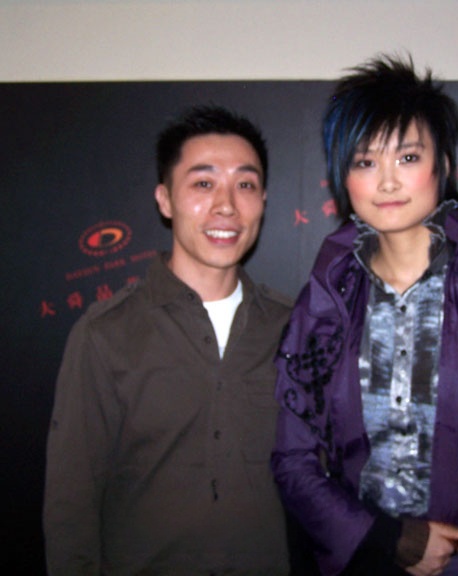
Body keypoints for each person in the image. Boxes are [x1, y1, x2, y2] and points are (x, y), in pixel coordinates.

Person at [271, 54, 458, 576]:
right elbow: (292, 463)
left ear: (443, 164)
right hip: (354, 564)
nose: (388, 182)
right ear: (341, 177)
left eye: (408, 157)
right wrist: (385, 539)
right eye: (365, 162)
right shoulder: (324, 302)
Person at [44, 105, 292, 575]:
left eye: (245, 185)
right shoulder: (106, 334)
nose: (226, 205)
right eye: (203, 184)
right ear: (165, 199)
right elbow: (70, 506)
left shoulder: (293, 328)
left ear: (263, 199)